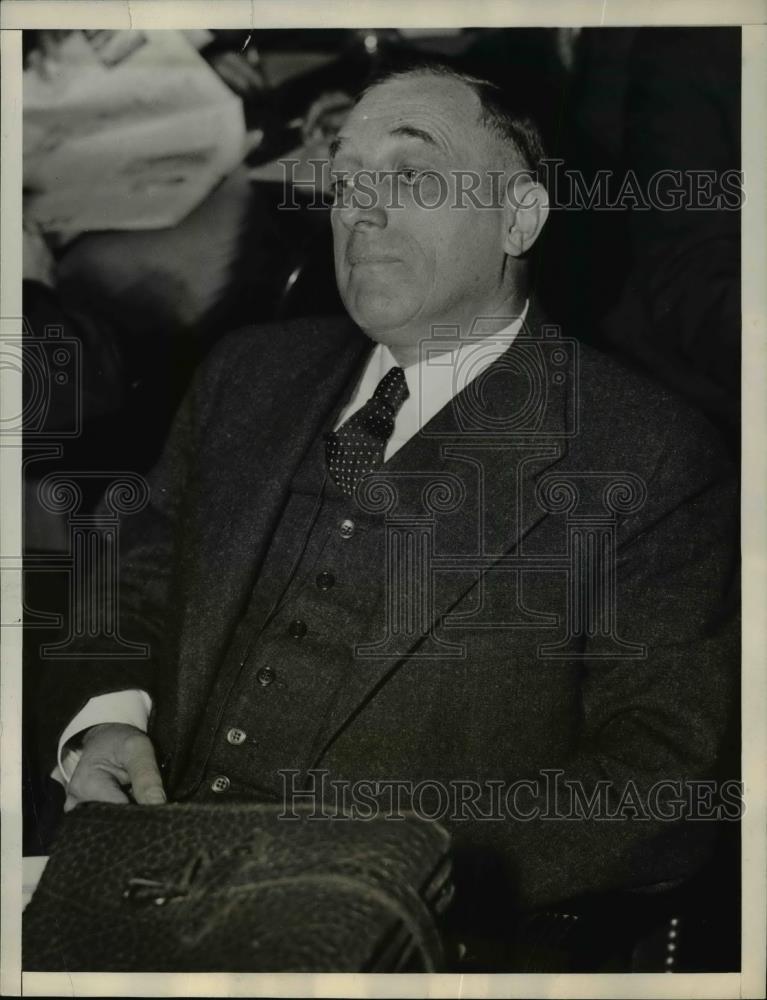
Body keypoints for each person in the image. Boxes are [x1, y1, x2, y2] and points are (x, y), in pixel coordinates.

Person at [35, 64, 738, 966]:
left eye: (409, 174)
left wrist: (396, 863)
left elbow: (662, 789)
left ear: (518, 218)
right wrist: (106, 719)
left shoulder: (651, 458)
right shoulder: (246, 376)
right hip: (130, 889)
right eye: (346, 178)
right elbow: (128, 589)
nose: (360, 208)